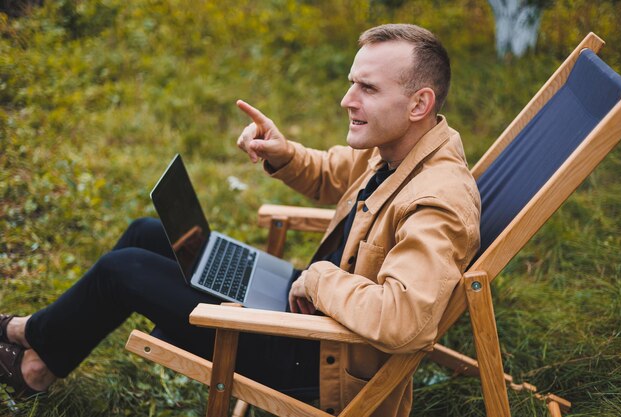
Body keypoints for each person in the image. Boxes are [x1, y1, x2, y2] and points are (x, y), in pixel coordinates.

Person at [1, 23, 480, 417]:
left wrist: (317, 278)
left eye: (367, 88)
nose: (347, 99)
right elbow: (333, 173)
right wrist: (283, 152)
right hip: (310, 310)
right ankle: (41, 360)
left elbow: (405, 320)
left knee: (119, 270)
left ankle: (28, 348)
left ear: (419, 103)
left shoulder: (439, 200)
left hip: (316, 356)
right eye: (352, 81)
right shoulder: (400, 150)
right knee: (148, 233)